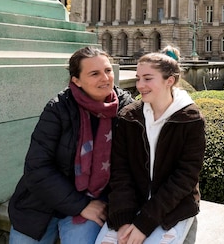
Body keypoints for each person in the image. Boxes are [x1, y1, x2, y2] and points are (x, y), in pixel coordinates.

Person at [8, 46, 134, 243]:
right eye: (94, 73)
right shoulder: (58, 109)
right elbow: (37, 168)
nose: (105, 78)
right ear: (76, 80)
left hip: (97, 199)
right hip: (42, 202)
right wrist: (80, 205)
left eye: (108, 70)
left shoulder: (126, 108)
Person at [95, 52, 206, 244]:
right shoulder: (129, 117)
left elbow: (185, 178)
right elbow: (120, 172)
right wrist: (123, 220)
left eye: (147, 78)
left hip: (174, 208)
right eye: (138, 78)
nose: (139, 85)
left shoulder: (190, 119)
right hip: (132, 204)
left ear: (169, 80)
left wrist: (144, 224)